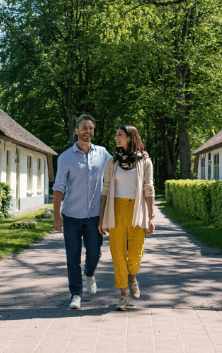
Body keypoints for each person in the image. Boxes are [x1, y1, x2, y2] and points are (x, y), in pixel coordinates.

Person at [53, 114, 112, 310]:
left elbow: (119, 167)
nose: (88, 131)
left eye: (91, 128)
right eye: (84, 128)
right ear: (76, 131)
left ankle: (89, 273)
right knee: (72, 257)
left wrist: (140, 156)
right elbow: (59, 187)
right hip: (71, 215)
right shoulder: (65, 157)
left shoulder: (103, 154)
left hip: (95, 215)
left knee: (94, 253)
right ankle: (76, 294)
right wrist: (56, 215)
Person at [98, 124, 155, 311]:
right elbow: (105, 190)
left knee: (135, 255)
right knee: (118, 255)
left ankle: (132, 277)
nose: (116, 138)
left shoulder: (145, 162)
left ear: (131, 137)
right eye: (116, 135)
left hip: (137, 210)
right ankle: (123, 296)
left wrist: (151, 217)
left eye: (120, 135)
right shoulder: (111, 162)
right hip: (116, 211)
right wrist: (101, 219)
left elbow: (149, 189)